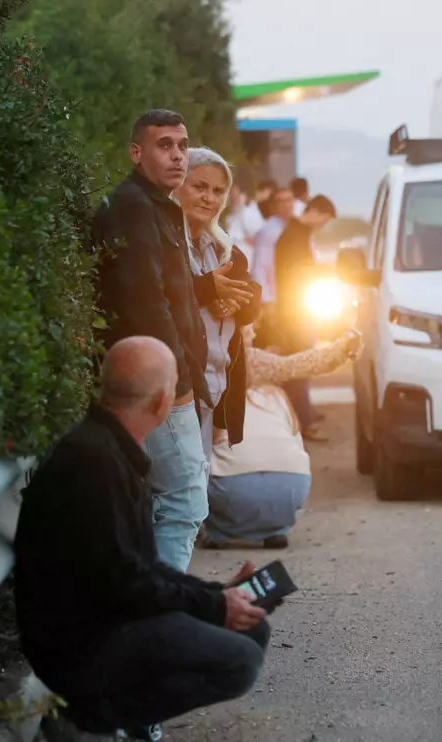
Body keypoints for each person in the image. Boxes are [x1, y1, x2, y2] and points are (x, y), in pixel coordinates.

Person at [15, 336, 271, 742]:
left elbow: (141, 571)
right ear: (161, 404)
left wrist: (218, 596)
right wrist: (212, 604)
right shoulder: (93, 464)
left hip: (111, 619)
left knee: (250, 629)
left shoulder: (108, 450)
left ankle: (107, 716)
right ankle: (88, 719)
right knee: (239, 661)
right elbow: (128, 584)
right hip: (80, 646)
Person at [92, 108, 210, 573]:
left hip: (163, 378)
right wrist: (174, 382)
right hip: (157, 382)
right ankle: (163, 610)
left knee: (159, 502)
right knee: (184, 502)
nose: (178, 155)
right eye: (164, 145)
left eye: (182, 145)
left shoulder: (156, 205)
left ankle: (152, 603)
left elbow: (171, 292)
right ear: (136, 153)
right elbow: (145, 299)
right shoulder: (134, 206)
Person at [202, 327, 362, 550]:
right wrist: (341, 349)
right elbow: (298, 365)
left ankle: (218, 531)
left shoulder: (203, 363)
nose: (255, 334)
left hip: (229, 485)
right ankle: (275, 528)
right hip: (292, 483)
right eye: (249, 329)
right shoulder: (258, 370)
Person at [174, 146, 262, 457]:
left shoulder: (225, 250)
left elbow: (251, 301)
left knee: (198, 485)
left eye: (218, 191)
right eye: (199, 187)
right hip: (174, 395)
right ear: (176, 185)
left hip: (214, 391)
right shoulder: (164, 244)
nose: (209, 198)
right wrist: (208, 290)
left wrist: (235, 302)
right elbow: (158, 299)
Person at [268, 194, 338, 441]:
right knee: (298, 367)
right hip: (294, 312)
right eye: (325, 220)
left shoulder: (297, 234)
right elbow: (293, 276)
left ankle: (301, 418)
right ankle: (301, 422)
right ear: (316, 212)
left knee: (298, 367)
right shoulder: (293, 237)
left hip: (296, 310)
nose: (323, 225)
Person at [246, 186, 297, 349]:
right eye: (281, 201)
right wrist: (267, 301)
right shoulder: (268, 231)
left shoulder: (296, 228)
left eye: (289, 200)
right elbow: (260, 267)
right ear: (273, 206)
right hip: (275, 300)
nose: (287, 205)